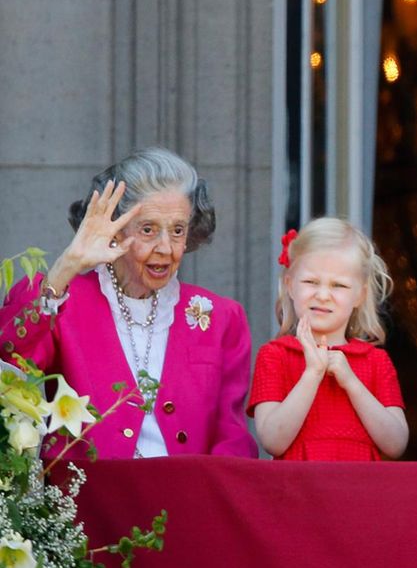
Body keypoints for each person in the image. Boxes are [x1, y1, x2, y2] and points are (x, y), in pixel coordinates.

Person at [0, 148, 255, 458]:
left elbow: (232, 440)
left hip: (188, 498)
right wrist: (67, 265)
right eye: (148, 229)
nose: (165, 247)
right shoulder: (64, 299)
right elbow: (10, 359)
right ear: (115, 231)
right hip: (89, 501)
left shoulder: (221, 318)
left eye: (177, 230)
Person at [248, 218, 408, 461]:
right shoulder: (275, 355)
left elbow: (396, 444)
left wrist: (351, 382)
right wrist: (312, 373)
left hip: (360, 492)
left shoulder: (376, 361)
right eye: (311, 282)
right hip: (299, 492)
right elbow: (272, 441)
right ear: (290, 285)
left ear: (360, 295)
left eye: (339, 285)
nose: (323, 295)